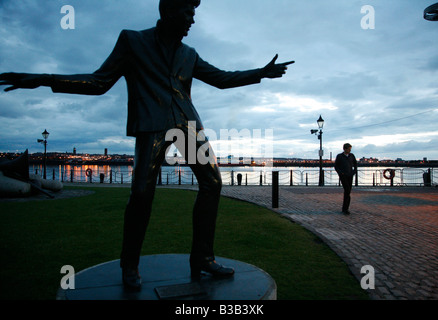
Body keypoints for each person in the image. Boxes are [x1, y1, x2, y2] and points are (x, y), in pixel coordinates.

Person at [0, 0, 294, 291]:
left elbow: (221, 79)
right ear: (168, 11)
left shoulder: (189, 54)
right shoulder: (133, 40)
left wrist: (260, 73)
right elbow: (99, 82)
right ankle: (130, 264)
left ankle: (203, 258)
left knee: (213, 183)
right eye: (188, 12)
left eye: (194, 13)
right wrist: (43, 79)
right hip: (151, 124)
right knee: (141, 193)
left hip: (188, 125)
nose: (193, 20)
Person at [335, 143, 357, 215]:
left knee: (348, 191)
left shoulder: (352, 156)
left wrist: (353, 172)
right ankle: (345, 209)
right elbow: (336, 166)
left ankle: (345, 208)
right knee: (347, 190)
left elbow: (355, 164)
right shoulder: (339, 156)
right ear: (345, 149)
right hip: (343, 176)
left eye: (350, 149)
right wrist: (341, 173)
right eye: (349, 149)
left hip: (350, 175)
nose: (350, 150)